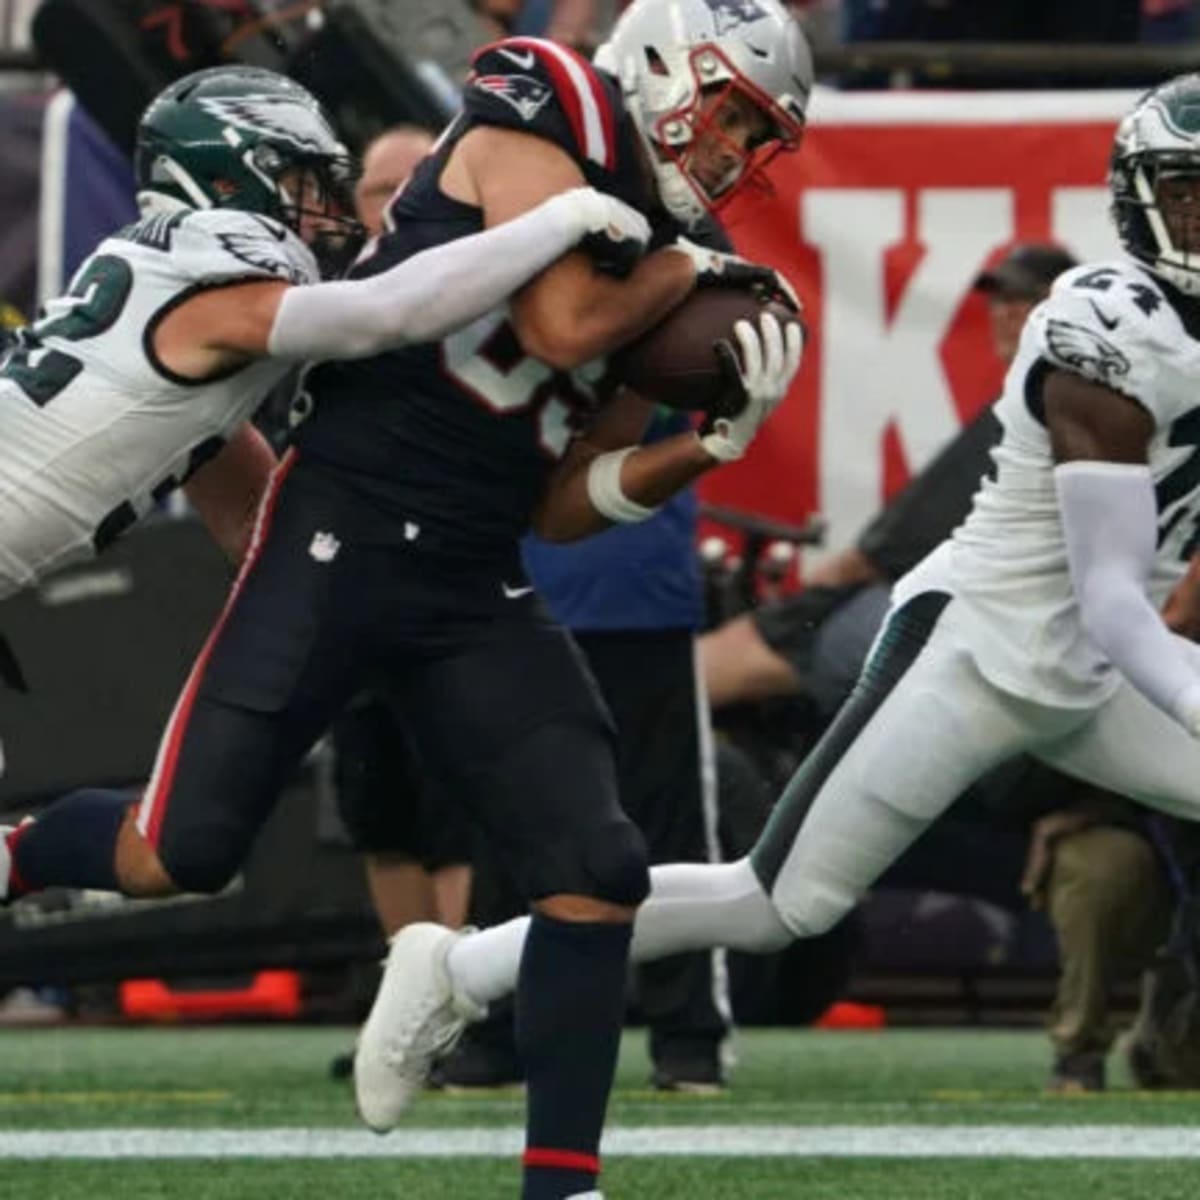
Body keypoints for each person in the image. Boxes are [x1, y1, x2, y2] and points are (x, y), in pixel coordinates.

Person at [3, 6, 810, 1199]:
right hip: (343, 527)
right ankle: (16, 855)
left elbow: (566, 504)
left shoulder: (651, 265)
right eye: (731, 108)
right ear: (661, 61)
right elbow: (557, 318)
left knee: (597, 861)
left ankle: (563, 1184)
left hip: (471, 571)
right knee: (180, 851)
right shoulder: (554, 98)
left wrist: (705, 449)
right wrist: (683, 269)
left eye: (760, 133)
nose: (736, 150)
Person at [379, 73, 1200, 1106]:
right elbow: (1117, 596)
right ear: (1137, 198)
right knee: (773, 901)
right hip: (981, 650)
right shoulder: (1108, 325)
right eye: (1188, 190)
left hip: (1096, 668)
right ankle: (457, 970)